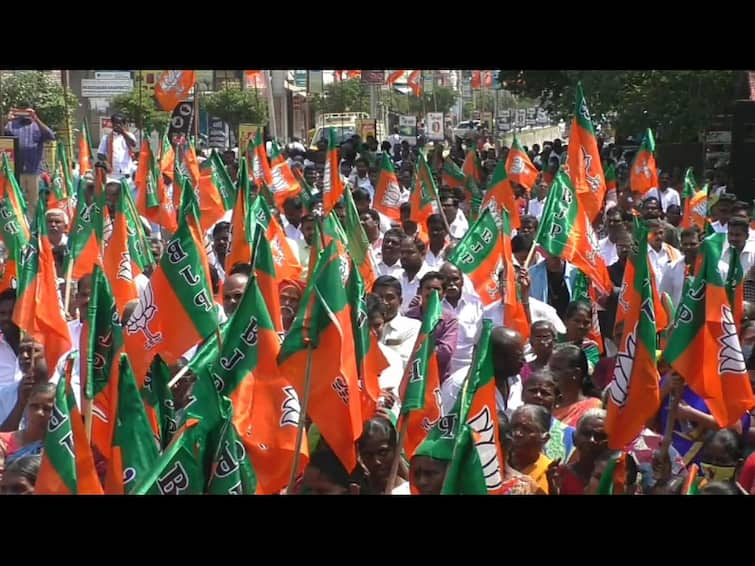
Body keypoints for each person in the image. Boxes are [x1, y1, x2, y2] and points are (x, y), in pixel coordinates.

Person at [3, 102, 55, 221]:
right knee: (15, 199)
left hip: (34, 170)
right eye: (20, 111)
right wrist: (6, 120)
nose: (23, 114)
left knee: (33, 201)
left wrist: (36, 119)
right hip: (15, 171)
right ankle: (20, 225)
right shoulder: (10, 125)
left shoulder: (36, 125)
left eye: (26, 111)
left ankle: (32, 227)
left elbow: (51, 136)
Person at [404, 272, 458, 384]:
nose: (432, 292)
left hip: (438, 380)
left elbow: (445, 352)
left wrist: (418, 350)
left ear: (443, 294)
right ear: (420, 291)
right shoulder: (409, 316)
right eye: (428, 288)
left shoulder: (449, 320)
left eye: (437, 289)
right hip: (411, 379)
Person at [548, 408, 608, 495]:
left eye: (600, 436)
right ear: (574, 438)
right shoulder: (559, 475)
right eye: (586, 434)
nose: (591, 440)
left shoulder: (618, 477)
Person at [521, 369, 575, 463]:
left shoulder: (569, 435)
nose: (538, 396)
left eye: (545, 393)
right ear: (522, 394)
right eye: (533, 391)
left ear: (558, 400)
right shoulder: (508, 427)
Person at [0, 382, 54, 476]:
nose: (39, 413)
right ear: (26, 407)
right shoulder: (3, 443)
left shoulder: (61, 448)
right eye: (34, 406)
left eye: (47, 409)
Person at [548, 344, 602, 428]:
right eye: (550, 369)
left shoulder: (593, 406)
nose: (551, 374)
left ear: (576, 373)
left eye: (557, 369)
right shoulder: (548, 403)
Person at [372, 275, 420, 369]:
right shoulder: (362, 325)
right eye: (379, 297)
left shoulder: (412, 327)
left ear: (400, 301)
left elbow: (405, 363)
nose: (384, 302)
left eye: (389, 297)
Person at [357, 416, 410, 494]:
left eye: (382, 453)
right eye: (368, 455)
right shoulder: (356, 491)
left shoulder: (409, 491)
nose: (376, 461)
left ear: (396, 450)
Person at [507, 404, 553, 493]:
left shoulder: (550, 473)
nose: (517, 433)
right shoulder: (497, 464)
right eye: (514, 427)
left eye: (526, 429)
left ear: (544, 438)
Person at [558, 301, 601, 375]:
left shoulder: (590, 347)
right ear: (566, 321)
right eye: (577, 321)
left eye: (586, 323)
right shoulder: (554, 340)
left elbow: (589, 369)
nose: (581, 326)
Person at [491, 327, 525, 416]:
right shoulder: (463, 385)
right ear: (499, 359)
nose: (524, 360)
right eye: (519, 356)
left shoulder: (515, 379)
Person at [96, 112, 136, 179]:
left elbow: (133, 144)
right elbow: (100, 154)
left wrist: (123, 132)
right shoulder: (106, 137)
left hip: (127, 172)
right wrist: (106, 162)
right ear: (112, 123)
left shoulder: (129, 136)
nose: (117, 125)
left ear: (124, 124)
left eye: (119, 123)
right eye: (115, 123)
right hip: (112, 174)